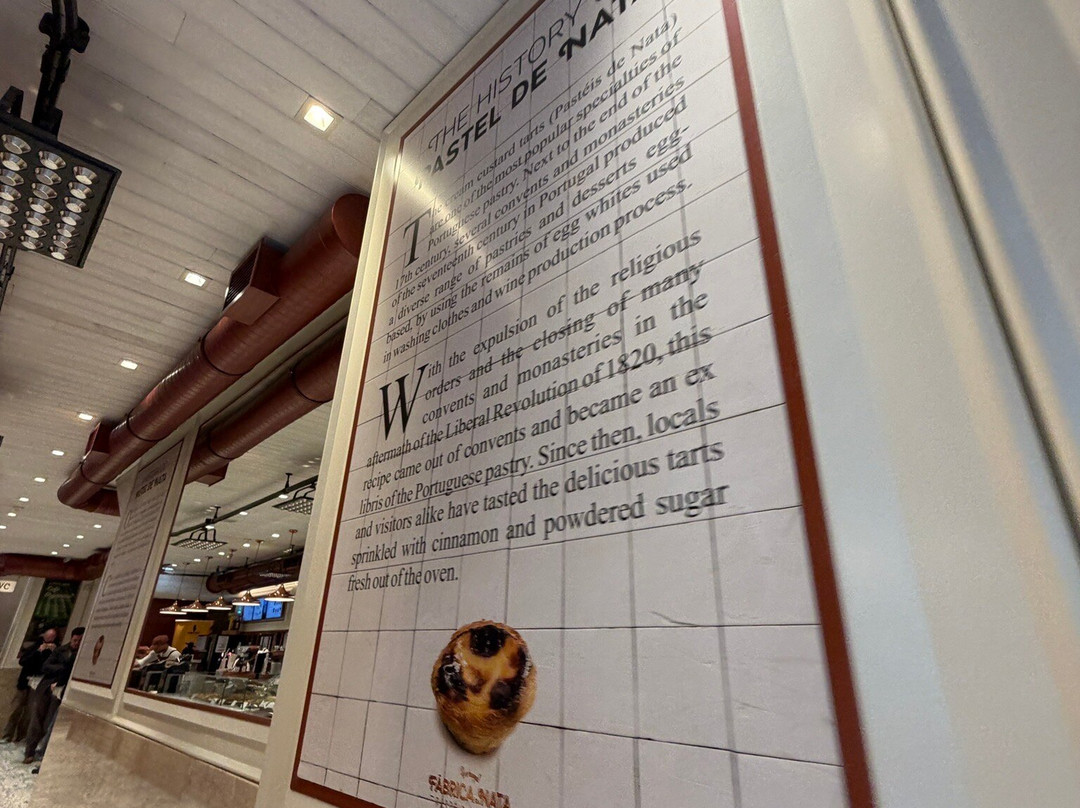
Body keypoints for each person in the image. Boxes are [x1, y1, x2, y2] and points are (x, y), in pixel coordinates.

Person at [23, 626, 82, 764]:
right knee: (36, 719)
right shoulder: (60, 650)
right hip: (46, 687)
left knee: (49, 722)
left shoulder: (80, 655)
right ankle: (29, 751)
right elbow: (46, 666)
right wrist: (63, 669)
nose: (76, 643)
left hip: (60, 689)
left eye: (79, 641)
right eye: (75, 640)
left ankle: (42, 752)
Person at [1, 629, 57, 743]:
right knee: (15, 709)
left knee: (29, 713)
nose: (50, 639)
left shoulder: (55, 649)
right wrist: (38, 651)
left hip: (37, 685)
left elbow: (49, 667)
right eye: (48, 636)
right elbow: (23, 661)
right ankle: (7, 735)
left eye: (52, 637)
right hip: (24, 683)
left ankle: (20, 737)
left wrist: (53, 652)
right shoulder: (34, 646)